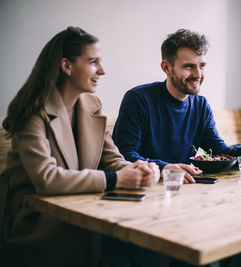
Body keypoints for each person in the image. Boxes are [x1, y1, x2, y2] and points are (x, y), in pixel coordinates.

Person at [0, 26, 160, 267]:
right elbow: (47, 179)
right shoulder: (33, 112)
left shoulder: (91, 104)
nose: (103, 71)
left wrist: (140, 169)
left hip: (85, 214)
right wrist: (116, 179)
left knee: (145, 251)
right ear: (67, 66)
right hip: (40, 224)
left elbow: (113, 160)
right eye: (93, 62)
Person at [112, 29, 241, 183]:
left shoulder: (200, 105)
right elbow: (124, 155)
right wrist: (164, 168)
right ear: (166, 67)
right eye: (189, 66)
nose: (198, 75)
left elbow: (218, 151)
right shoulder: (138, 99)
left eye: (202, 66)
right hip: (145, 186)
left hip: (183, 186)